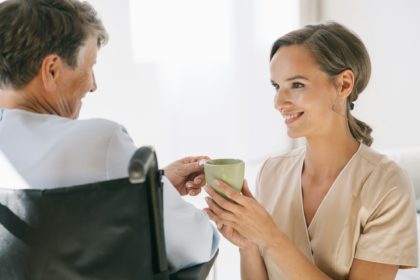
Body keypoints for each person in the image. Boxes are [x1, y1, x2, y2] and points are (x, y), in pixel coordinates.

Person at [0, 0, 218, 271]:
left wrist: (153, 188)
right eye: (90, 67)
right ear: (52, 70)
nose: (93, 85)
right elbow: (195, 243)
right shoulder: (100, 141)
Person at [204, 22, 418, 279]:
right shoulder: (271, 172)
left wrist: (270, 237)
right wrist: (248, 245)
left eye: (296, 85)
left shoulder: (387, 185)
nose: (279, 102)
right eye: (276, 86)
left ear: (343, 84)